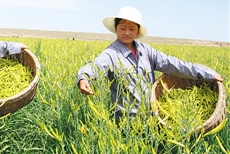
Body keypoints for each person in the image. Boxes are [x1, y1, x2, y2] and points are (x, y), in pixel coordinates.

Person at [77, 6, 223, 123]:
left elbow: (173, 64)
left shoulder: (146, 51)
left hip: (152, 119)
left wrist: (206, 74)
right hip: (127, 123)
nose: (127, 32)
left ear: (138, 30)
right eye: (122, 28)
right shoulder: (112, 53)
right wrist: (83, 78)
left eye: (132, 28)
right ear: (116, 29)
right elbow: (95, 66)